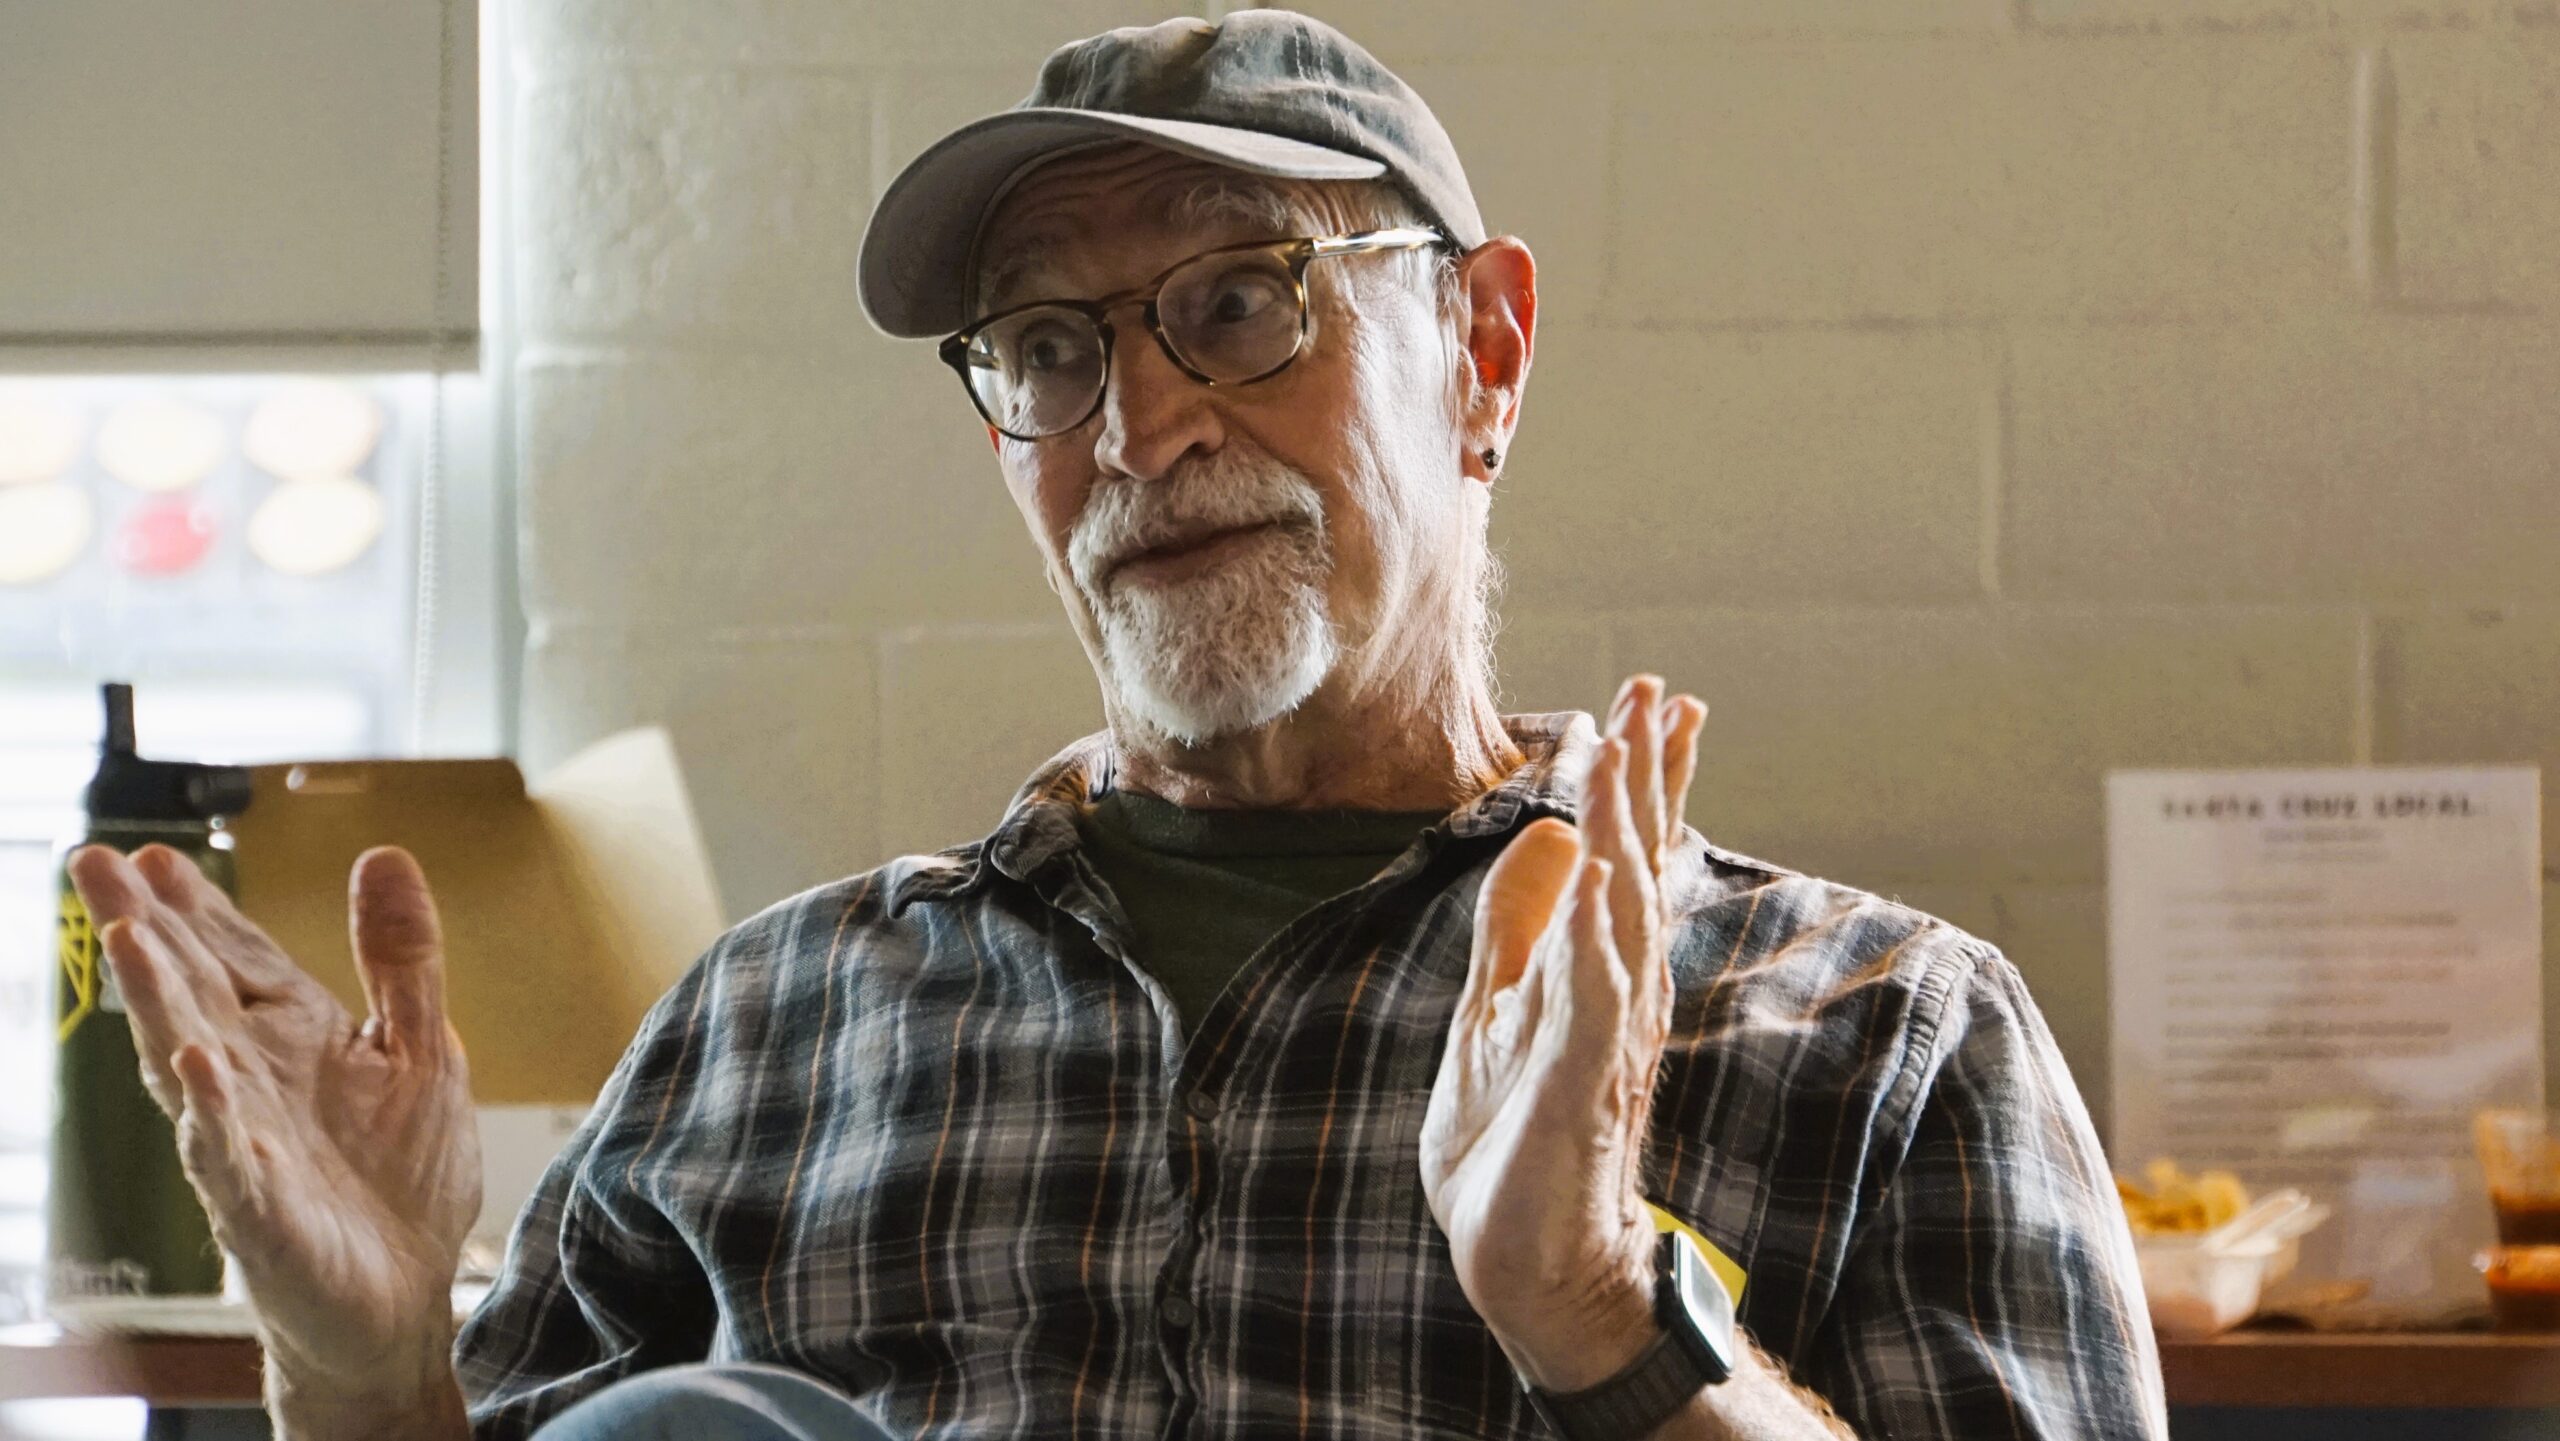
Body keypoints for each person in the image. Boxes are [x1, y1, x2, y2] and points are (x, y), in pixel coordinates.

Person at [64, 12, 2167, 1441]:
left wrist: (1604, 1315)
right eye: (1048, 348)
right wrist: (359, 1377)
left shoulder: (1880, 1034)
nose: (1140, 424)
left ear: (1485, 352)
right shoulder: (766, 1027)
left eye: (1240, 300)